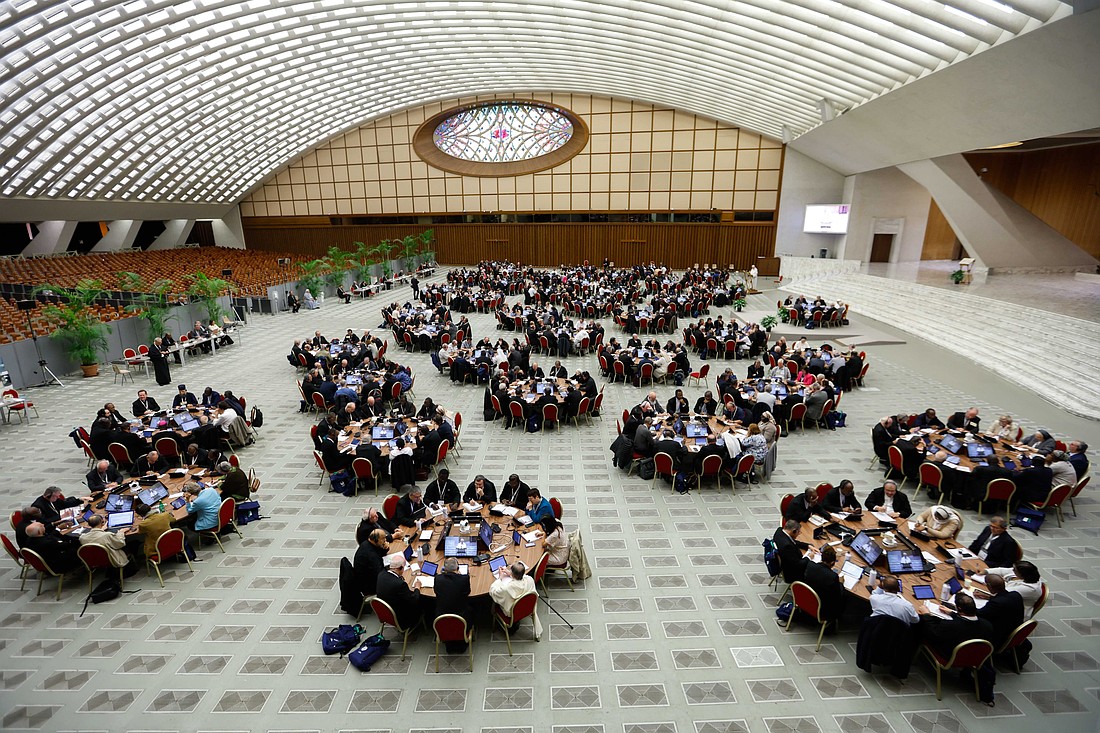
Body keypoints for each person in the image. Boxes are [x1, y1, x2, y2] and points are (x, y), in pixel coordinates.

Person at [489, 561, 541, 637]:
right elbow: (523, 577)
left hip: (512, 613)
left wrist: (500, 578)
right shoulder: (530, 579)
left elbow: (493, 591)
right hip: (528, 607)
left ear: (513, 573)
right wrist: (510, 573)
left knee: (494, 603)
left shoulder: (507, 589)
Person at [375, 553, 425, 629]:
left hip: (387, 611)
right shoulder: (400, 584)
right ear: (400, 568)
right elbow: (413, 600)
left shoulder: (381, 574)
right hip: (402, 618)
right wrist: (417, 587)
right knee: (425, 601)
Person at [975, 574, 1024, 649]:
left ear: (989, 586)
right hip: (1013, 632)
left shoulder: (996, 604)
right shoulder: (1016, 595)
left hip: (997, 638)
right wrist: (989, 597)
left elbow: (978, 614)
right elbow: (1004, 601)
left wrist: (965, 604)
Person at [433, 557, 472, 652]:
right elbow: (467, 592)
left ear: (444, 569)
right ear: (457, 568)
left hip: (441, 619)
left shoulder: (437, 579)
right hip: (462, 617)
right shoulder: (464, 579)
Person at [803, 545, 845, 622]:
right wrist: (841, 583)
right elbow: (838, 595)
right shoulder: (833, 576)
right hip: (823, 609)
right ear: (832, 562)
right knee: (845, 597)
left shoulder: (810, 565)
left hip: (806, 601)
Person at [353, 528, 389, 597]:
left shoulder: (367, 543)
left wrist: (385, 548)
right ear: (376, 540)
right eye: (383, 539)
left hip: (369, 576)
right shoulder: (371, 555)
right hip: (370, 586)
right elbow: (380, 574)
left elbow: (379, 553)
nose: (385, 541)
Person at [772, 519, 808, 584]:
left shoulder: (779, 531)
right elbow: (798, 565)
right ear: (794, 531)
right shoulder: (787, 547)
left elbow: (792, 541)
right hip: (791, 573)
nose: (799, 534)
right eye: (799, 532)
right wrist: (809, 557)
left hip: (785, 563)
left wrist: (807, 546)